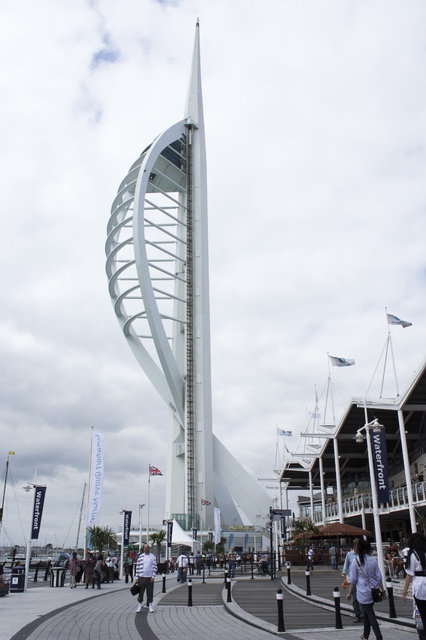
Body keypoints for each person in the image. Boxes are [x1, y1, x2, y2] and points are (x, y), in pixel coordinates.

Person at [347, 539, 384, 640]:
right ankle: (365, 636)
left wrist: (349, 593)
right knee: (368, 614)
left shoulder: (356, 561)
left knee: (370, 614)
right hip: (374, 589)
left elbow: (353, 580)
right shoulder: (373, 560)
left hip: (363, 590)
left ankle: (379, 636)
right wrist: (383, 589)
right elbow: (378, 576)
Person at [402, 532, 426, 633]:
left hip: (420, 586)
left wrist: (405, 591)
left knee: (423, 614)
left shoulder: (413, 555)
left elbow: (409, 574)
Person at [342, 538, 364, 624]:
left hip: (362, 580)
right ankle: (357, 615)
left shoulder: (363, 555)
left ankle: (363, 615)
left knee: (363, 598)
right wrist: (345, 578)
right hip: (353, 579)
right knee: (355, 599)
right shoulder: (349, 555)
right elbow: (345, 566)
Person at [134, 544, 157, 613]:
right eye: (145, 548)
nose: (146, 549)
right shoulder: (140, 557)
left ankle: (150, 605)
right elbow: (137, 567)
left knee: (150, 592)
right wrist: (137, 577)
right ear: (143, 549)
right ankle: (139, 605)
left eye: (147, 548)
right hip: (141, 577)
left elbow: (155, 567)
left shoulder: (152, 557)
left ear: (149, 549)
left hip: (149, 577)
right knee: (141, 591)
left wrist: (153, 576)